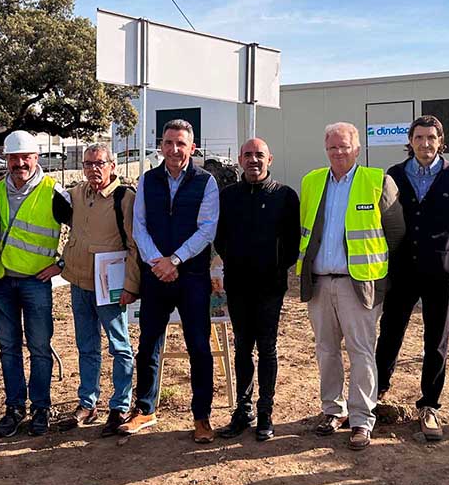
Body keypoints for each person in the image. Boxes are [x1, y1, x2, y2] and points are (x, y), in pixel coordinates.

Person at [297, 122, 405, 450]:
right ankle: (332, 410)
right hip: (319, 283)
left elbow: (396, 232)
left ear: (357, 149)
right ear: (325, 149)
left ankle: (361, 419)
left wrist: (378, 275)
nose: (338, 153)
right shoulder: (312, 182)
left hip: (358, 285)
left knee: (361, 352)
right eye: (332, 147)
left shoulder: (378, 182)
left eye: (344, 147)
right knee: (326, 351)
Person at [118, 119, 220, 444]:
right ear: (160, 146)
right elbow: (139, 227)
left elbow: (207, 230)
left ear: (193, 147)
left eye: (181, 143)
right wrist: (157, 263)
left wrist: (174, 260)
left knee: (199, 347)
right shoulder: (147, 180)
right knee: (148, 344)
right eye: (168, 142)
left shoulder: (206, 182)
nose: (174, 149)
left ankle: (202, 417)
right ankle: (144, 409)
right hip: (156, 276)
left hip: (192, 277)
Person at [374, 115, 449, 441]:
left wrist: (441, 250)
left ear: (441, 141)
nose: (425, 144)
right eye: (419, 137)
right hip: (402, 269)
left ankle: (429, 404)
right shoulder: (394, 175)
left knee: (436, 340)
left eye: (432, 138)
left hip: (440, 272)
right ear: (410, 140)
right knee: (390, 333)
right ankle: (376, 392)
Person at [0, 130, 73, 438]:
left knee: (39, 348)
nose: (19, 163)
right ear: (6, 159)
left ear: (37, 158)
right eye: (13, 158)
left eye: (25, 157)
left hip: (36, 282)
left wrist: (61, 264)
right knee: (8, 349)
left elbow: (84, 230)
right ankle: (13, 408)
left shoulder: (53, 191)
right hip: (0, 281)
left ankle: (40, 407)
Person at [214, 138, 300, 441]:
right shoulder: (228, 197)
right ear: (239, 160)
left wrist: (274, 266)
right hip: (237, 285)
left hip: (270, 287)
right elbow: (219, 239)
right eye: (248, 155)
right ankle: (243, 409)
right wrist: (235, 262)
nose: (254, 160)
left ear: (270, 159)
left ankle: (265, 411)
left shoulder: (285, 196)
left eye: (259, 155)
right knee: (242, 348)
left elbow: (292, 245)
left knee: (267, 348)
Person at [56, 143, 140, 437]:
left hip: (110, 288)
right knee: (86, 346)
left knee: (120, 347)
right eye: (88, 164)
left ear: (112, 166)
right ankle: (88, 403)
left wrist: (131, 285)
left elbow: (134, 245)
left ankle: (119, 405)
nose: (93, 169)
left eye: (99, 163)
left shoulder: (125, 199)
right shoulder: (78, 194)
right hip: (79, 284)